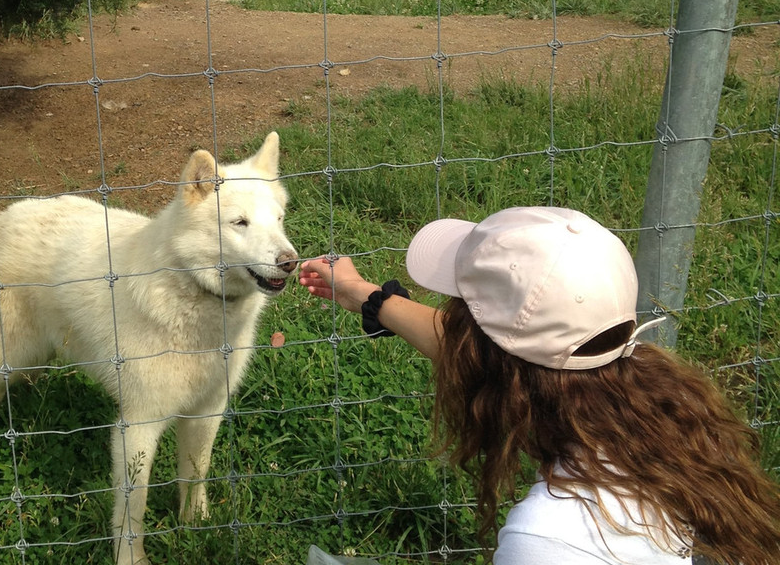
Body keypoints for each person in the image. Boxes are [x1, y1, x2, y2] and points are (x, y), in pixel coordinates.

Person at [299, 206, 780, 565]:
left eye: (460, 313)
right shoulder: (663, 413)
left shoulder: (550, 539)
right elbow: (490, 354)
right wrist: (365, 295)